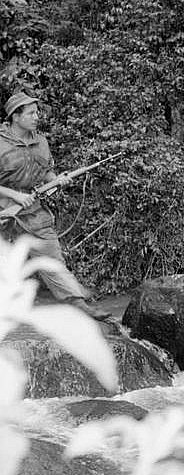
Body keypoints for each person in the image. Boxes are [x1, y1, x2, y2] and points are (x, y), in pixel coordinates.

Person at [0, 91, 110, 322]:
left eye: (37, 112)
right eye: (31, 113)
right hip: (3, 213)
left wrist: (57, 180)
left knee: (53, 263)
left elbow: (45, 173)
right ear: (15, 117)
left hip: (33, 213)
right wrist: (14, 196)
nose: (37, 116)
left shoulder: (41, 142)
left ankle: (80, 305)